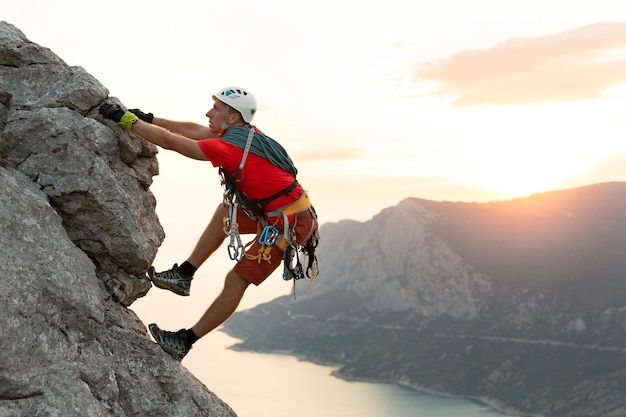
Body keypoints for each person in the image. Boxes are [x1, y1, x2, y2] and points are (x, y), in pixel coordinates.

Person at [99, 86, 319, 361]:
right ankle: (184, 275)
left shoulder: (230, 148)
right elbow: (192, 130)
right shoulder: (244, 136)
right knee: (226, 211)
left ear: (232, 116)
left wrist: (128, 121)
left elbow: (174, 142)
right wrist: (151, 119)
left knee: (236, 279)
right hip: (282, 213)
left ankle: (185, 340)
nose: (208, 113)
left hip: (289, 224)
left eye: (216, 108)